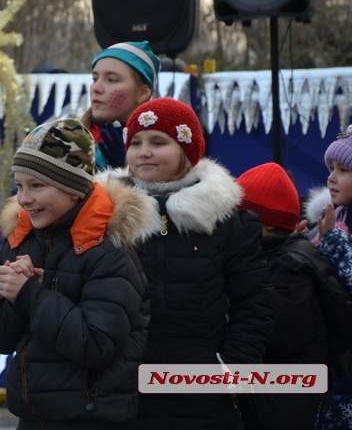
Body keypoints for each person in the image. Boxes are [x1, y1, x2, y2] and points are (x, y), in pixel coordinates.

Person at [97, 98, 275, 430]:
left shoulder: (228, 222)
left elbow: (254, 302)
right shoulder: (103, 215)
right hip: (123, 390)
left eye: (158, 142)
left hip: (205, 396)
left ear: (187, 151)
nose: (144, 151)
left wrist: (230, 369)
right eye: (136, 142)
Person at [0, 118, 154, 429]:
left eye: (37, 186)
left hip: (91, 418)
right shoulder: (19, 240)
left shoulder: (109, 250)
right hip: (31, 416)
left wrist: (31, 295)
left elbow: (96, 343)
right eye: (19, 185)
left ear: (73, 189)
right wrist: (13, 300)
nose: (23, 198)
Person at [235, 163, 352, 430]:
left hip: (283, 411)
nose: (332, 177)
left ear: (266, 225)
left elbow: (265, 339)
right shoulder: (278, 259)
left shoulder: (292, 271)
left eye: (236, 217)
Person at [306, 125, 352, 429]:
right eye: (331, 168)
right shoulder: (330, 220)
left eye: (343, 170)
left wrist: (334, 242)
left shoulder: (334, 229)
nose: (331, 177)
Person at [81, 41, 157, 171]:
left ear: (143, 93)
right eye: (94, 79)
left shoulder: (160, 143)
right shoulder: (67, 135)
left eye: (112, 80)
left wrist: (126, 170)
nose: (96, 88)